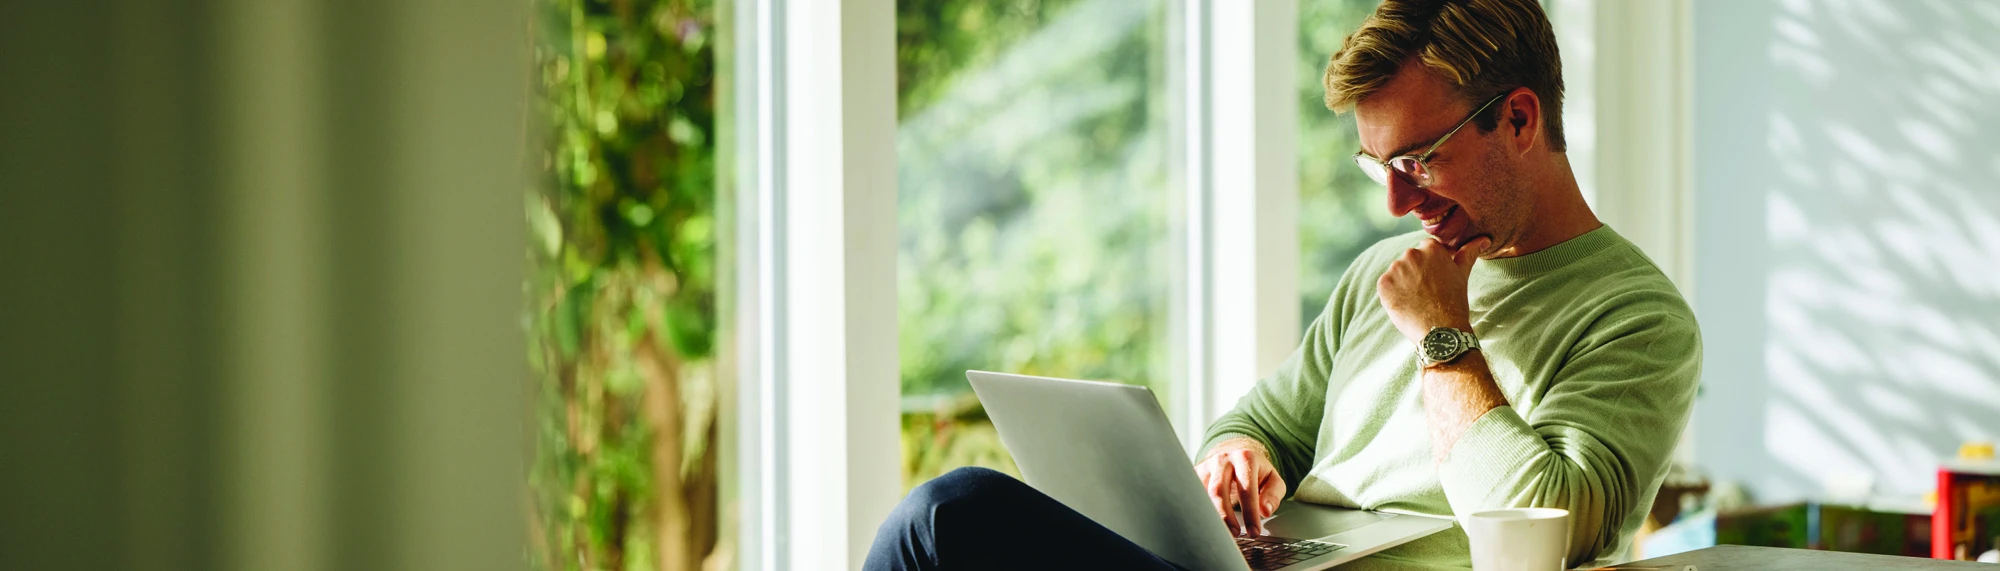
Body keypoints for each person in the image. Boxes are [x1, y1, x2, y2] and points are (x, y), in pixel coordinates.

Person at [865, 0, 1701, 569]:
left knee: (951, 515)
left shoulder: (1638, 319)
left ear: (1519, 119)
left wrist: (1443, 338)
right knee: (947, 523)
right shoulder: (1381, 272)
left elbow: (1538, 530)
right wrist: (1237, 456)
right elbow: (1263, 419)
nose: (1395, 201)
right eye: (1378, 165)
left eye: (1419, 160)